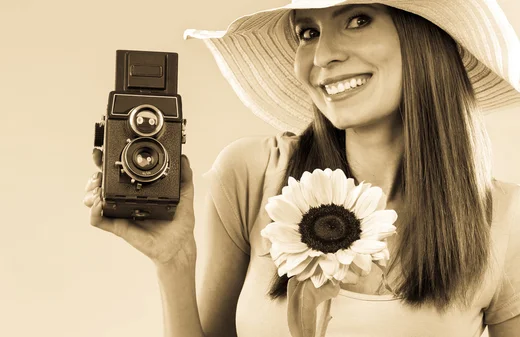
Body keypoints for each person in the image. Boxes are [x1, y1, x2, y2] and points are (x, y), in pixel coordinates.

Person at [83, 0, 520, 336]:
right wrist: (174, 261)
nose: (322, 55)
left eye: (357, 19)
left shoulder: (507, 219)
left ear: (424, 37)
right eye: (307, 31)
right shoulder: (253, 175)